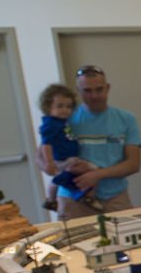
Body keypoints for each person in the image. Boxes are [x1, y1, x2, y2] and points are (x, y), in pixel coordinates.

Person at [43, 65, 141, 220]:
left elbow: (133, 164)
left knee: (126, 241)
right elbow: (41, 154)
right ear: (78, 91)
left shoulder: (126, 119)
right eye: (87, 91)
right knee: (76, 243)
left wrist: (96, 175)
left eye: (99, 89)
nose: (94, 96)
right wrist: (62, 168)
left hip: (115, 197)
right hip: (73, 200)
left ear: (107, 88)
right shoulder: (65, 118)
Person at [35, 83, 100, 212]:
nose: (65, 110)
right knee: (85, 173)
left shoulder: (61, 121)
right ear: (48, 107)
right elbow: (46, 144)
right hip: (62, 159)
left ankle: (83, 195)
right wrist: (49, 162)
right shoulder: (50, 125)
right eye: (60, 106)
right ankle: (53, 200)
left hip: (70, 157)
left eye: (68, 106)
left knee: (91, 172)